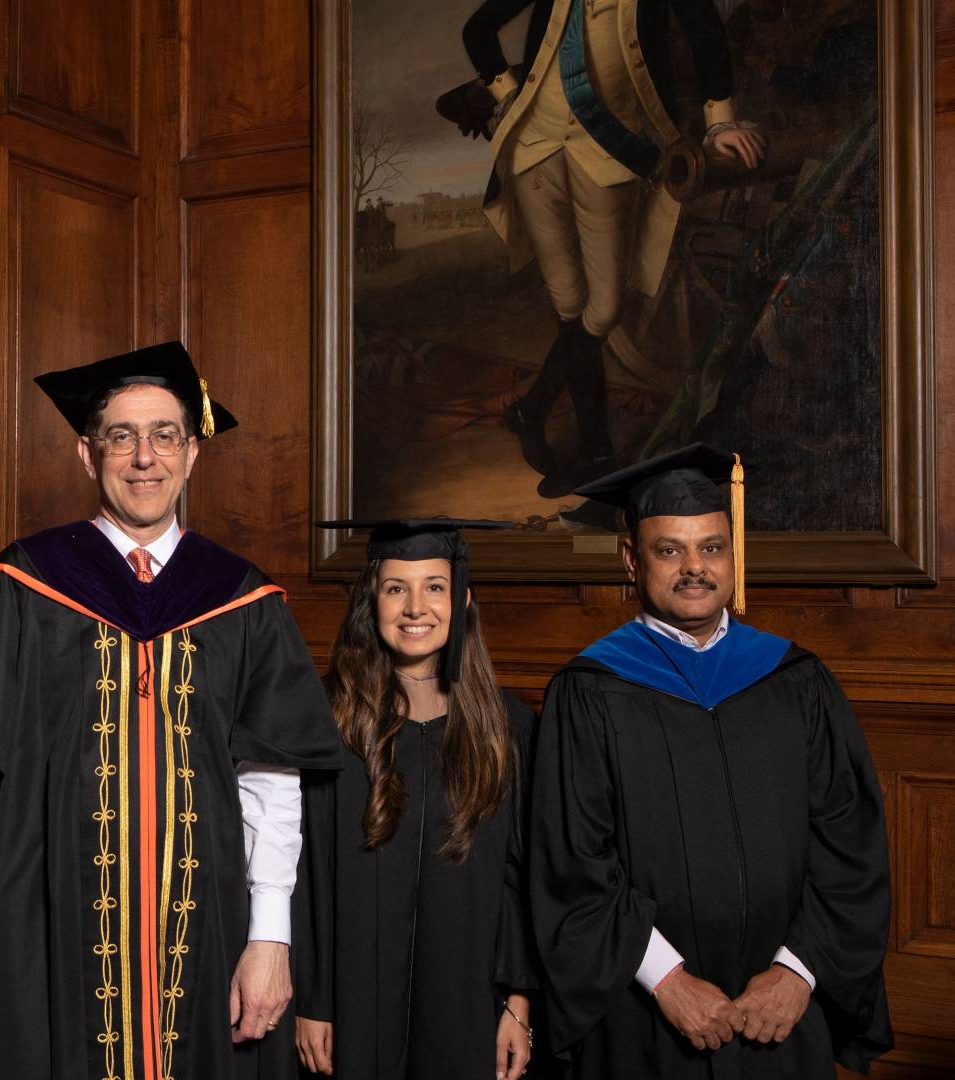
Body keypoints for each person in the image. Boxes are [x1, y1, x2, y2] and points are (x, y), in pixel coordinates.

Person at [0, 342, 343, 1079]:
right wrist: (2, 949)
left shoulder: (242, 598)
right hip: (56, 928)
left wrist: (270, 938)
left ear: (192, 453)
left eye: (165, 435)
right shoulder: (28, 584)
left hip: (209, 930)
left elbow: (271, 781)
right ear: (86, 453)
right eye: (122, 436)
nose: (145, 458)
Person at [529, 444, 892, 1077]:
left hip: (779, 1013)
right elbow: (572, 862)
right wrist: (666, 979)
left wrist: (797, 971)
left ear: (732, 555)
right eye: (669, 550)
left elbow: (850, 841)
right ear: (631, 560)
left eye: (711, 548)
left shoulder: (795, 679)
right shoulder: (589, 690)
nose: (694, 567)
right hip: (646, 1016)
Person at [454, 0, 767, 491]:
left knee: (603, 310)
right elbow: (478, 29)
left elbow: (704, 28)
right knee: (568, 302)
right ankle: (597, 455)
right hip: (534, 150)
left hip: (612, 150)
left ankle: (531, 409)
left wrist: (720, 123)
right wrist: (509, 95)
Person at [291, 518, 544, 1080]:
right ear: (371, 600)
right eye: (395, 588)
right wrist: (312, 998)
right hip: (348, 1006)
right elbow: (303, 874)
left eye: (434, 586)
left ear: (463, 600)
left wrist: (517, 1002)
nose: (415, 608)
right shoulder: (329, 722)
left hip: (470, 1002)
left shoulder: (506, 727)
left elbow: (519, 878)